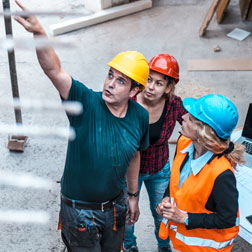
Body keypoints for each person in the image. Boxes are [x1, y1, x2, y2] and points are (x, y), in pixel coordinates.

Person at [15, 1, 150, 251]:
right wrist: (39, 32)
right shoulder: (85, 102)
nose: (110, 84)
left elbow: (135, 156)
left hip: (115, 208)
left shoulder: (140, 116)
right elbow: (54, 70)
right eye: (110, 75)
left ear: (135, 91)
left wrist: (133, 196)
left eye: (121, 81)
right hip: (79, 214)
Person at [157, 94, 245, 252]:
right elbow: (177, 179)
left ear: (202, 133)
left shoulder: (222, 174)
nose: (183, 116)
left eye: (190, 118)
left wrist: (185, 218)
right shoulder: (184, 142)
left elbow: (227, 218)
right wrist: (166, 198)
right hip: (179, 244)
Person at [123, 54, 186, 252]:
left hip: (159, 169)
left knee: (161, 213)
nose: (151, 87)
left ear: (168, 88)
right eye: (149, 80)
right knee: (127, 215)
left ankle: (163, 245)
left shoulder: (174, 104)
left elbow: (192, 127)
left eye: (159, 83)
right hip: (128, 172)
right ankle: (130, 246)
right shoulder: (129, 102)